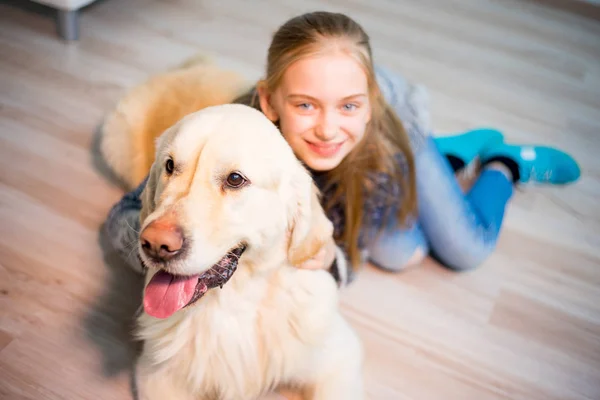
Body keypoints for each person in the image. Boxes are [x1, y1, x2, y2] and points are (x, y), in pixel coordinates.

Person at [104, 11, 580, 287]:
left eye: (347, 106)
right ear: (268, 101)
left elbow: (347, 259)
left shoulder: (381, 152)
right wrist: (158, 251)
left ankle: (501, 163)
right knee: (404, 248)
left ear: (367, 102)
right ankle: (451, 155)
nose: (327, 129)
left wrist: (326, 259)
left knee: (459, 248)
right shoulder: (235, 128)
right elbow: (123, 216)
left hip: (394, 140)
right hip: (362, 120)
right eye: (305, 104)